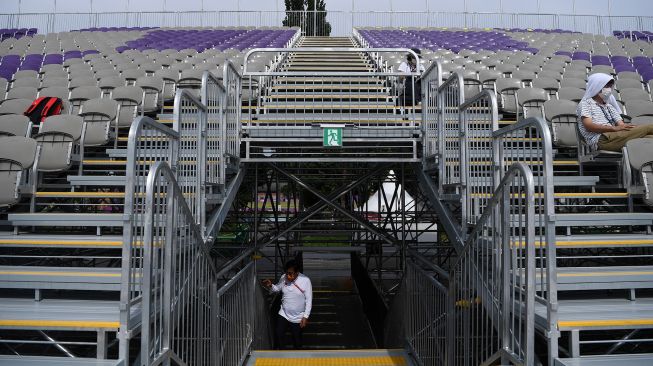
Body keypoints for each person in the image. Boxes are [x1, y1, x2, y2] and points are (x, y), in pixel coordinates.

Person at [577, 73, 653, 152]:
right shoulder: (585, 104)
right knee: (649, 127)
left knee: (650, 138)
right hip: (601, 140)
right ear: (596, 87)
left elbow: (621, 125)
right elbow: (589, 126)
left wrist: (632, 129)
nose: (609, 89)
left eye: (610, 86)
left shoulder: (609, 106)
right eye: (606, 86)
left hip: (615, 137)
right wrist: (614, 128)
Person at [262, 259, 312, 350]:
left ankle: (298, 358)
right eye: (287, 273)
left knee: (297, 340)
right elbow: (277, 288)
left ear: (297, 272)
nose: (288, 276)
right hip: (284, 313)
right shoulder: (284, 277)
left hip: (298, 317)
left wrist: (305, 316)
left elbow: (309, 300)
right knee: (279, 333)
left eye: (290, 273)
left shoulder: (305, 281)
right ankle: (281, 354)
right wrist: (270, 286)